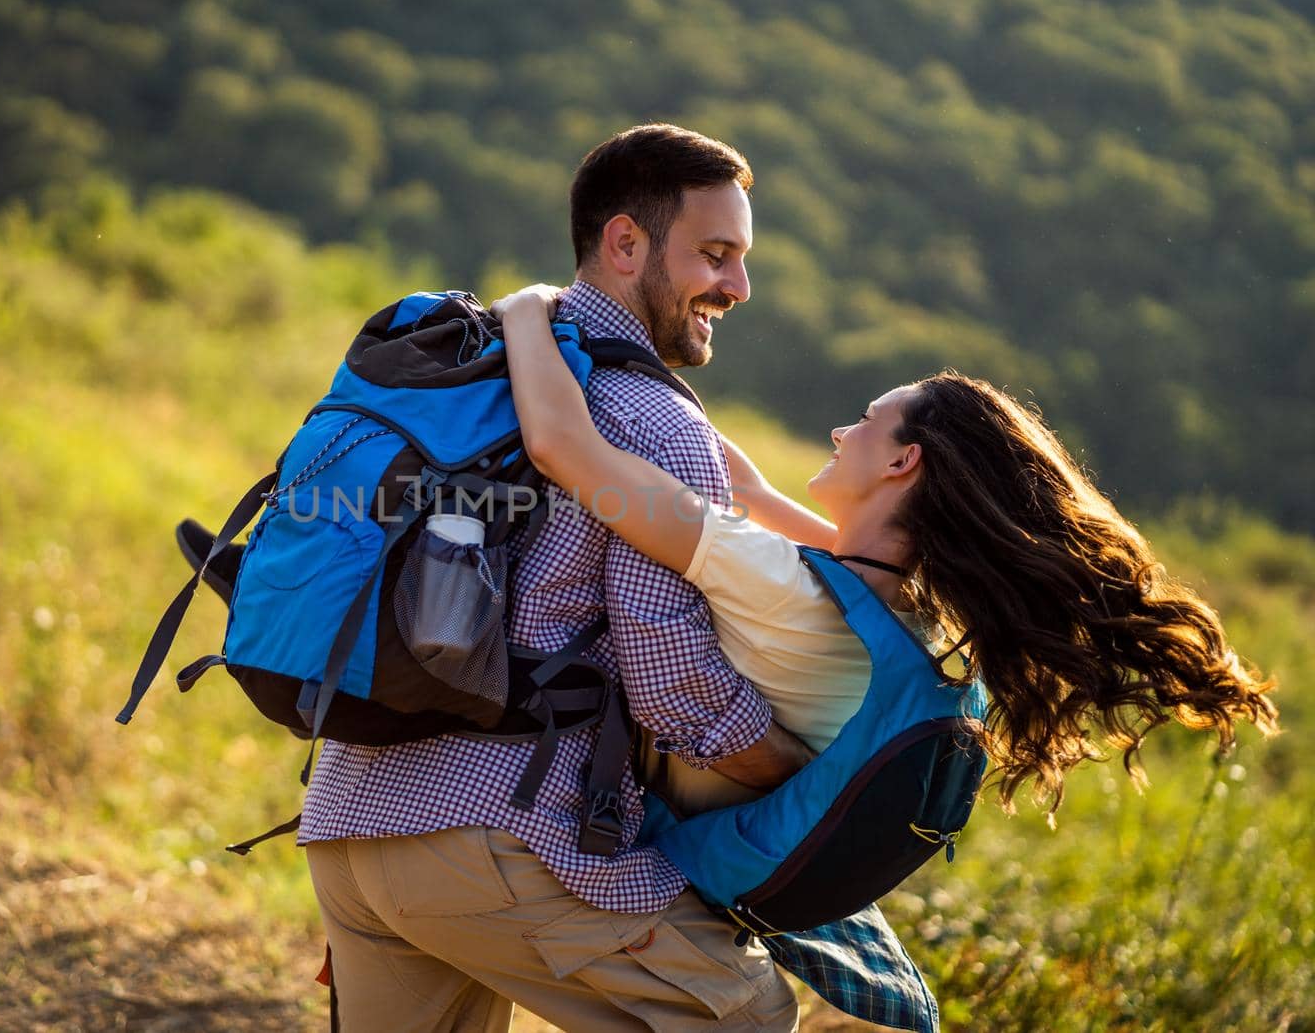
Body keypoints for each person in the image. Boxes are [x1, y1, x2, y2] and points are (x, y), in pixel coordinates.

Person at [300, 124, 811, 1030]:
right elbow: (672, 687)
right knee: (748, 1016)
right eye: (716, 255)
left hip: (348, 825)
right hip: (496, 834)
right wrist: (802, 768)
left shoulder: (472, 364)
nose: (736, 287)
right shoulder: (653, 421)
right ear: (625, 243)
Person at [490, 282, 1280, 822]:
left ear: (903, 463)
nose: (841, 431)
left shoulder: (765, 576)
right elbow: (757, 492)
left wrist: (528, 308)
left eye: (865, 421)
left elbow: (564, 446)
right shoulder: (914, 618)